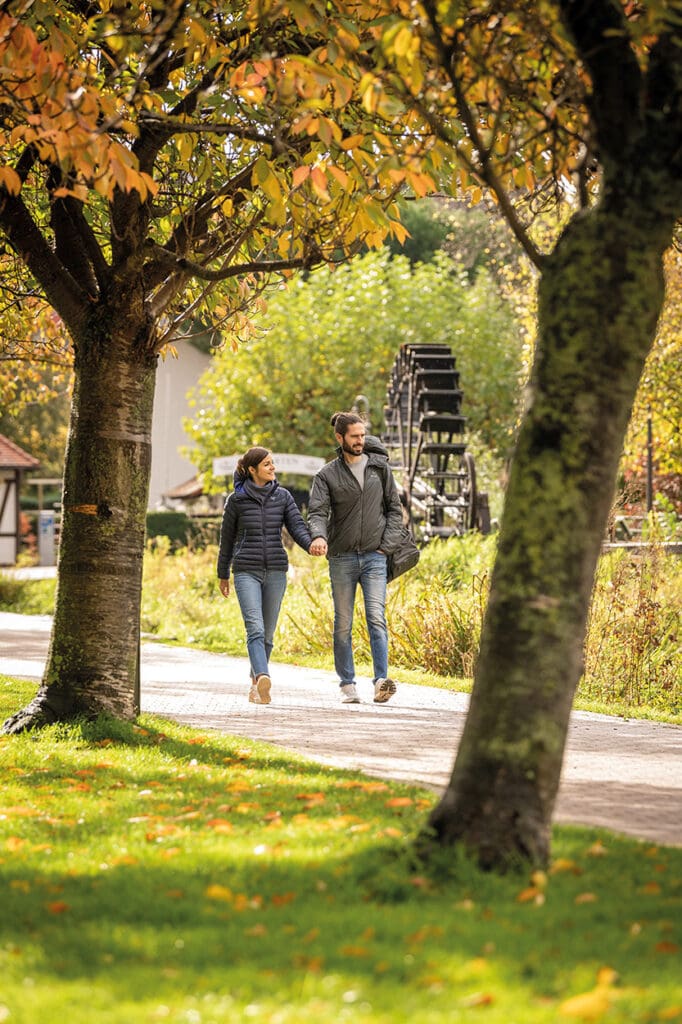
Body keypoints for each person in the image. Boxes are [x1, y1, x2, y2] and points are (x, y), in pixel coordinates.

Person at [308, 411, 403, 704]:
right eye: (354, 436)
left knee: (376, 618)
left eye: (362, 435)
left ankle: (381, 681)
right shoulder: (326, 475)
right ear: (340, 438)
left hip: (375, 556)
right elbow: (317, 512)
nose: (360, 441)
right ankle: (347, 684)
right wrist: (319, 536)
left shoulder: (379, 469)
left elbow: (394, 509)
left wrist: (386, 546)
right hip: (342, 558)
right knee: (343, 623)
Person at [217, 447, 314, 705]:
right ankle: (263, 675)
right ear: (252, 470)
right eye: (267, 464)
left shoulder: (283, 497)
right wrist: (223, 574)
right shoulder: (236, 500)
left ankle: (255, 686)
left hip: (275, 571)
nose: (273, 468)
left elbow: (297, 527)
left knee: (268, 634)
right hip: (246, 571)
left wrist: (312, 545)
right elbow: (226, 541)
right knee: (255, 628)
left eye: (273, 463)